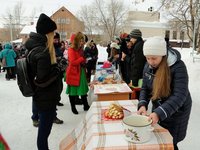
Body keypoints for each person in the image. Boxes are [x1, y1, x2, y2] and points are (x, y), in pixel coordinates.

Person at [137, 37, 192, 150]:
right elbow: (145, 88)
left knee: (170, 142)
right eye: (147, 58)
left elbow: (180, 95)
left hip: (176, 111)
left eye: (154, 58)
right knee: (158, 140)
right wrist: (143, 104)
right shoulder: (148, 66)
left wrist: (159, 113)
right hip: (159, 109)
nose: (150, 62)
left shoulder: (178, 67)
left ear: (163, 55)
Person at [24, 13, 63, 150]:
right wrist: (58, 70)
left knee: (44, 132)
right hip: (45, 97)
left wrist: (55, 65)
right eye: (52, 32)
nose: (54, 35)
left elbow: (40, 73)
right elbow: (42, 79)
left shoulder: (35, 47)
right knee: (44, 133)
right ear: (48, 33)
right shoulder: (43, 51)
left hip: (41, 96)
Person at [66, 32, 90, 114]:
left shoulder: (78, 49)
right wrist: (82, 59)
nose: (82, 42)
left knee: (83, 89)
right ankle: (73, 107)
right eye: (81, 40)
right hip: (73, 73)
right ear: (76, 41)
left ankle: (86, 105)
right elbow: (73, 62)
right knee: (73, 91)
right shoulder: (71, 50)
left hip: (80, 71)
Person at [122, 29, 146, 98]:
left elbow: (137, 65)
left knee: (136, 98)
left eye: (131, 38)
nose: (130, 40)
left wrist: (134, 82)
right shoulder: (138, 45)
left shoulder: (138, 47)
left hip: (138, 80)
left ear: (135, 37)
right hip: (138, 78)